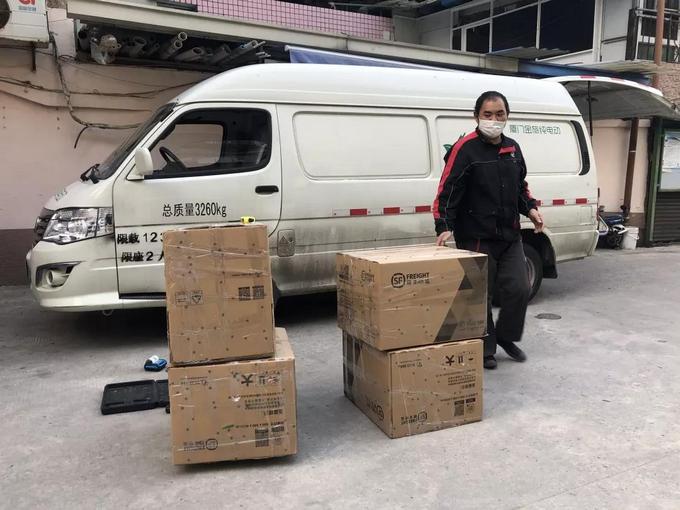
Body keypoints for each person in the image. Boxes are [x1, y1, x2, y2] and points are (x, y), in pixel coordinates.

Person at [433, 91, 544, 370]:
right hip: (476, 235)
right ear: (476, 116)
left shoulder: (513, 148)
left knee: (520, 287)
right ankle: (486, 347)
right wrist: (443, 225)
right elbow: (448, 190)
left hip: (509, 234)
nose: (494, 119)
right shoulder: (464, 149)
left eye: (499, 114)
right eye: (488, 114)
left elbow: (520, 187)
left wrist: (530, 209)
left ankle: (506, 336)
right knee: (480, 294)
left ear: (507, 116)